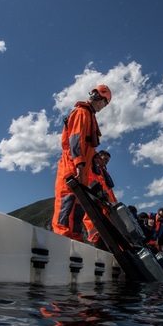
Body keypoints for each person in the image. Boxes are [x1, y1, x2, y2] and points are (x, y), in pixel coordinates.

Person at [52, 85, 112, 241]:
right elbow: (76, 140)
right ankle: (61, 238)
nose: (103, 107)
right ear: (101, 100)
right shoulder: (82, 113)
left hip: (82, 169)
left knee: (78, 207)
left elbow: (88, 149)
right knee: (66, 203)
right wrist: (79, 164)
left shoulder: (89, 115)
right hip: (72, 166)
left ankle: (75, 238)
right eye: (105, 104)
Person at [83, 150, 117, 244]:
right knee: (92, 218)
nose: (106, 161)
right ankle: (95, 238)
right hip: (95, 199)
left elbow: (110, 191)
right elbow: (90, 180)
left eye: (108, 160)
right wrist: (98, 194)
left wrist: (115, 203)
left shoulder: (104, 173)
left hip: (106, 204)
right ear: (99, 156)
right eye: (105, 159)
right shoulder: (92, 165)